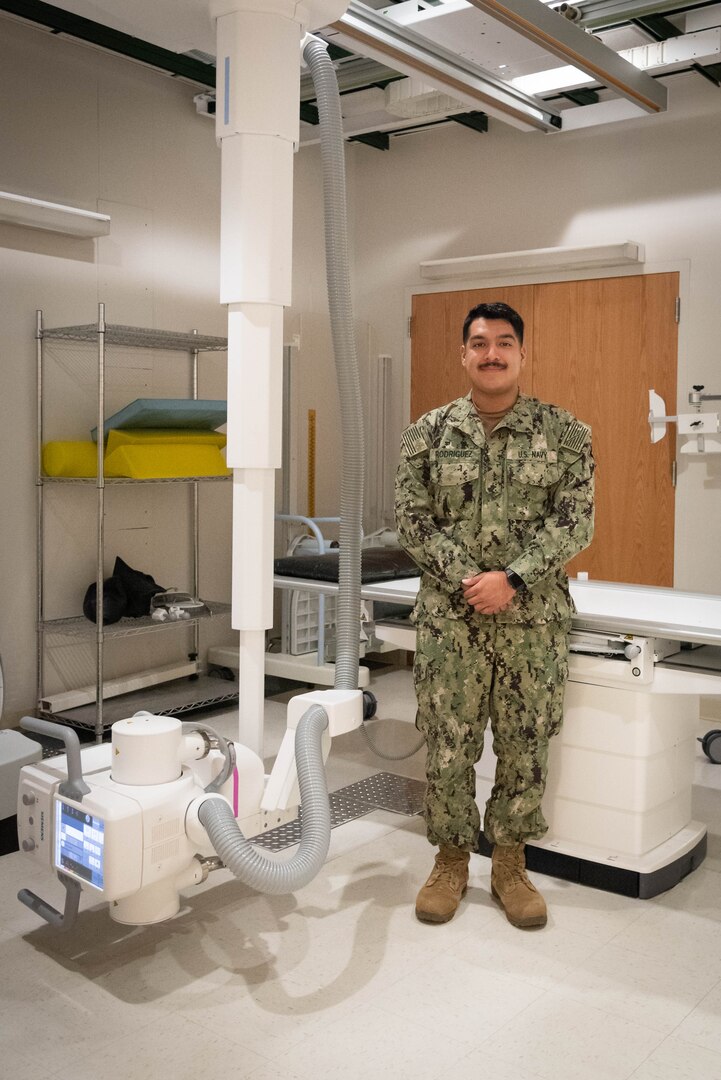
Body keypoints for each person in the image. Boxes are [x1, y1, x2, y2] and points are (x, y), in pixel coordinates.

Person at [394, 301, 595, 929]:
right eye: (479, 343)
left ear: (522, 354)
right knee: (449, 743)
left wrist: (511, 579)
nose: (492, 354)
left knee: (524, 745)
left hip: (531, 623)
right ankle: (451, 861)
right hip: (450, 624)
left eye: (504, 343)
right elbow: (410, 518)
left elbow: (576, 521)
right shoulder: (427, 433)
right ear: (463, 355)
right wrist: (467, 579)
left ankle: (509, 865)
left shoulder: (566, 435)